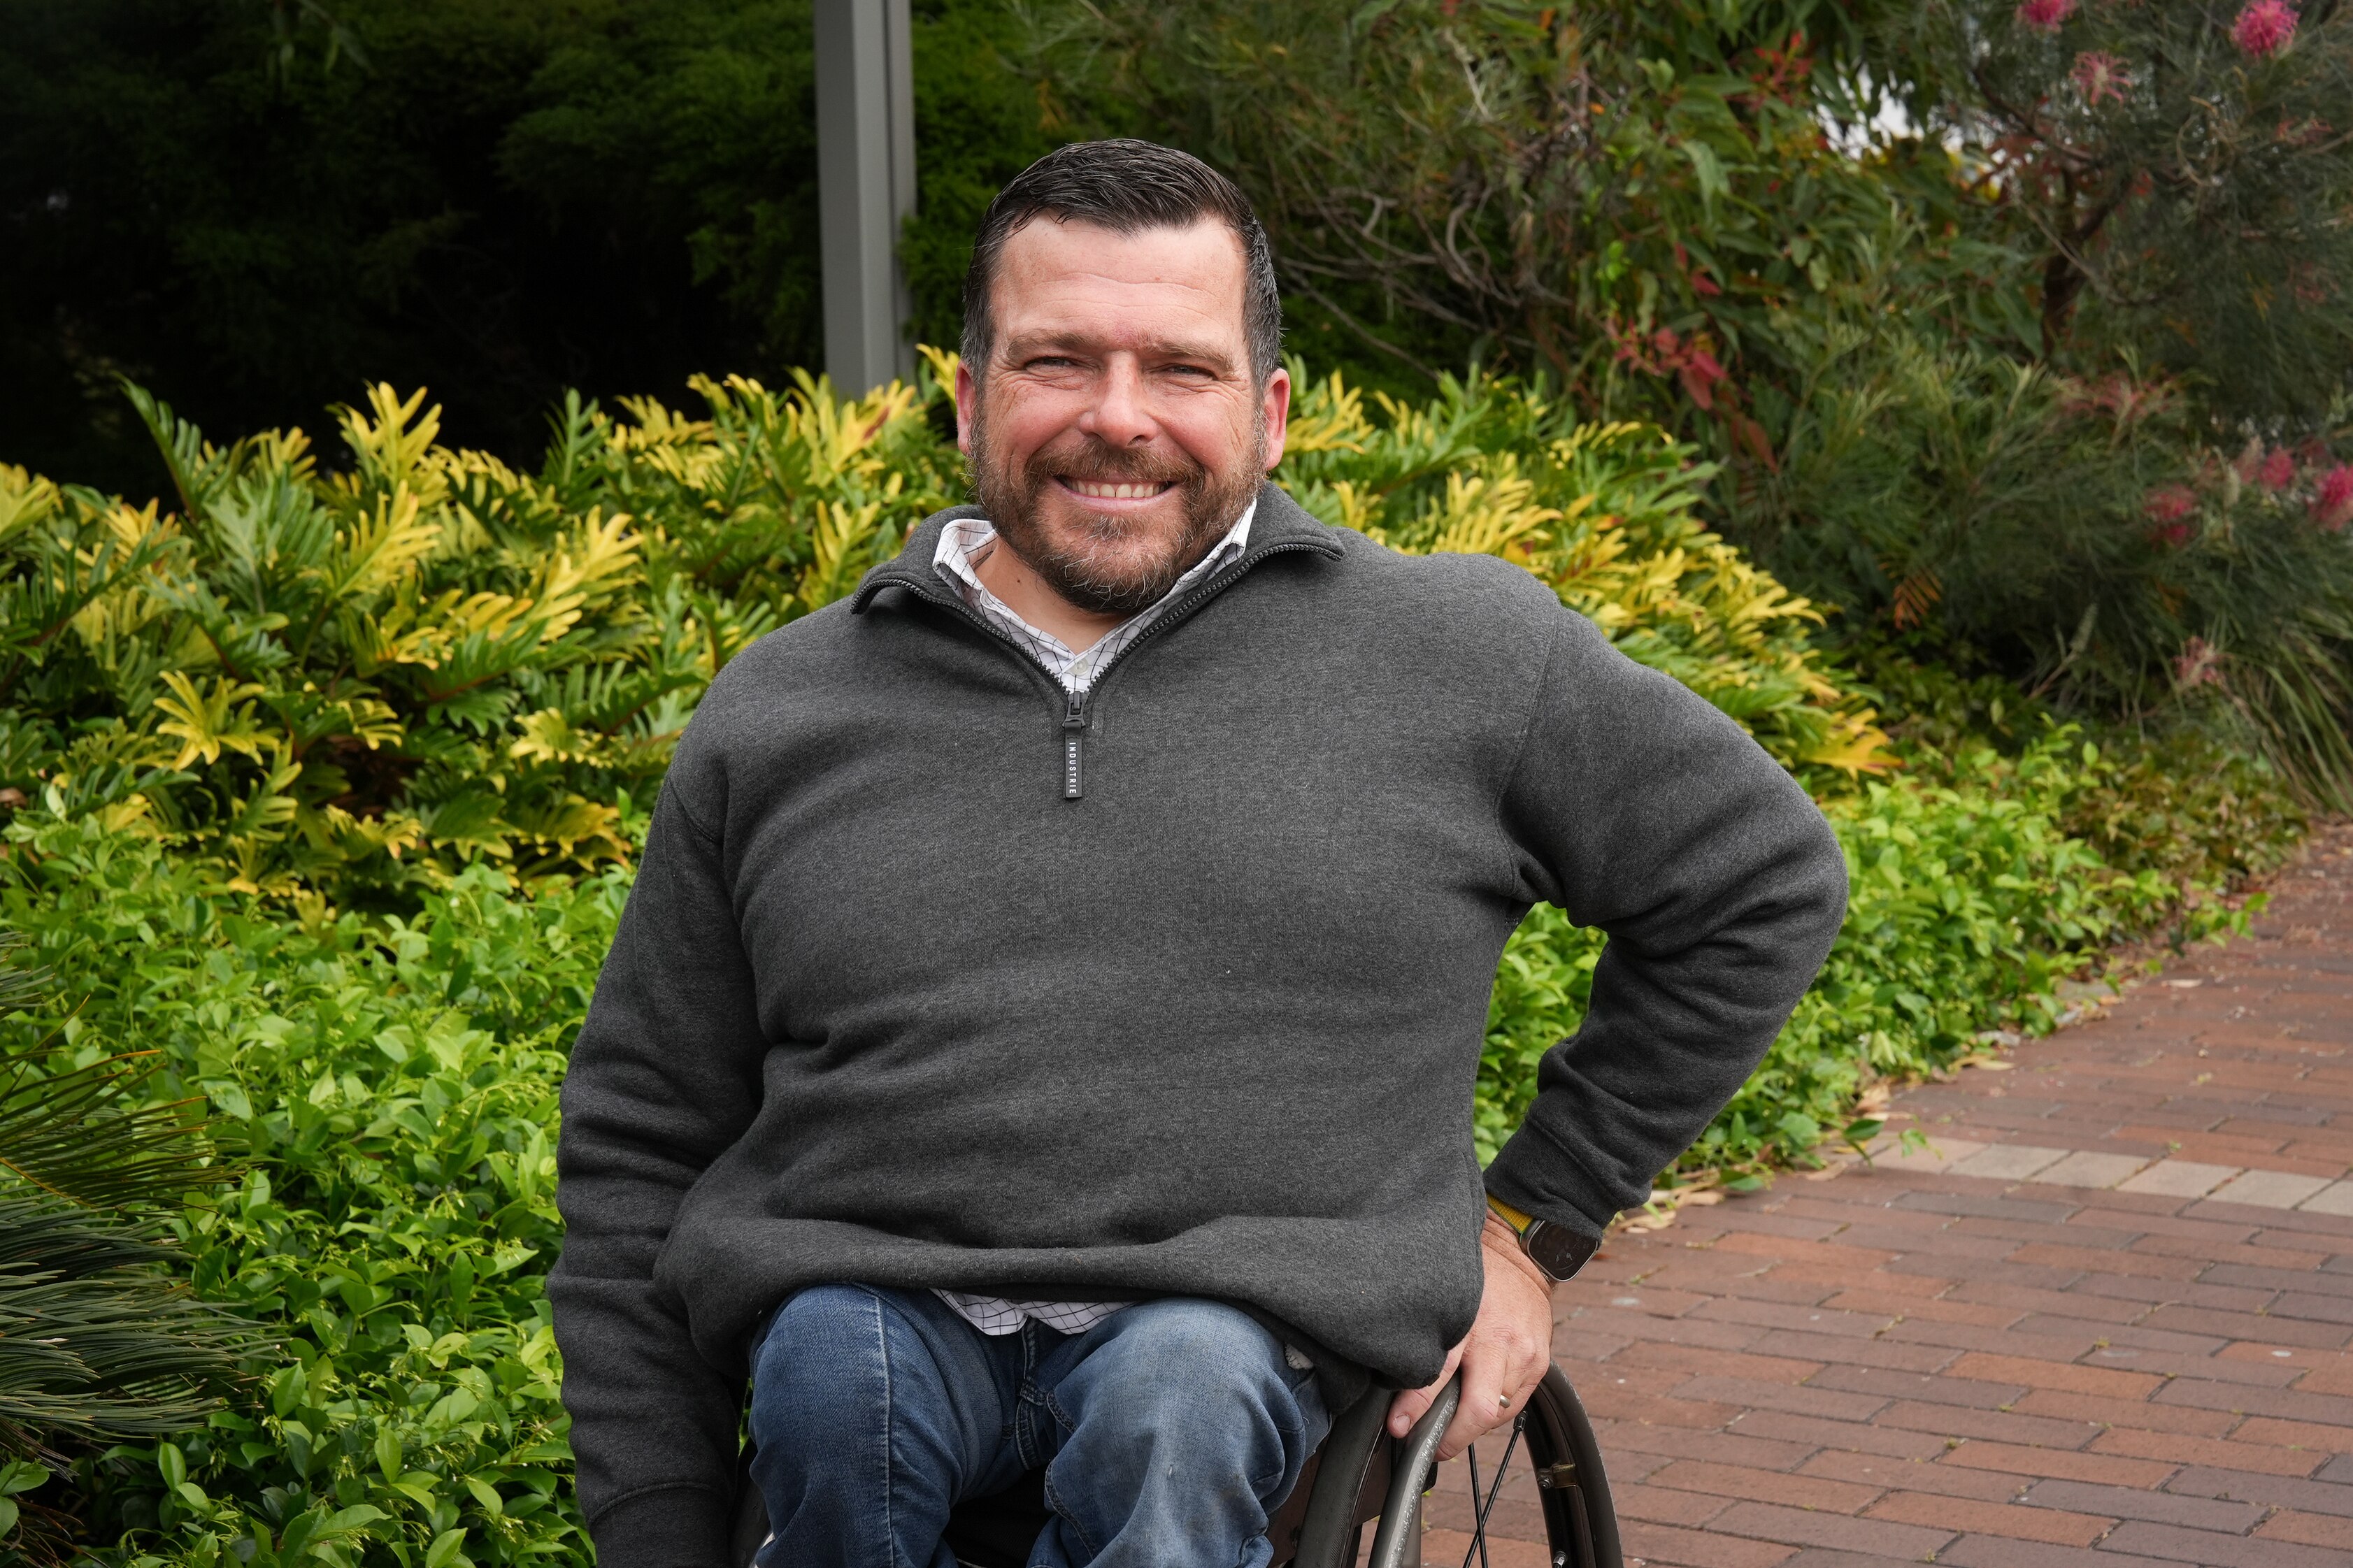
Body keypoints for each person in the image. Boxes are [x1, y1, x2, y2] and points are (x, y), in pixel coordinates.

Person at [550, 138, 1847, 1568]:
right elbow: (641, 1137)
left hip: (1245, 1357)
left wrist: (1525, 1226)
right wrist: (657, 1532)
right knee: (825, 1374)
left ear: (1268, 412)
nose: (1119, 417)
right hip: (862, 1319)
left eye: (1180, 368)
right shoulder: (786, 706)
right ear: (970, 399)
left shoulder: (1465, 657)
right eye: (1058, 361)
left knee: (1177, 1390)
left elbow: (1761, 882)